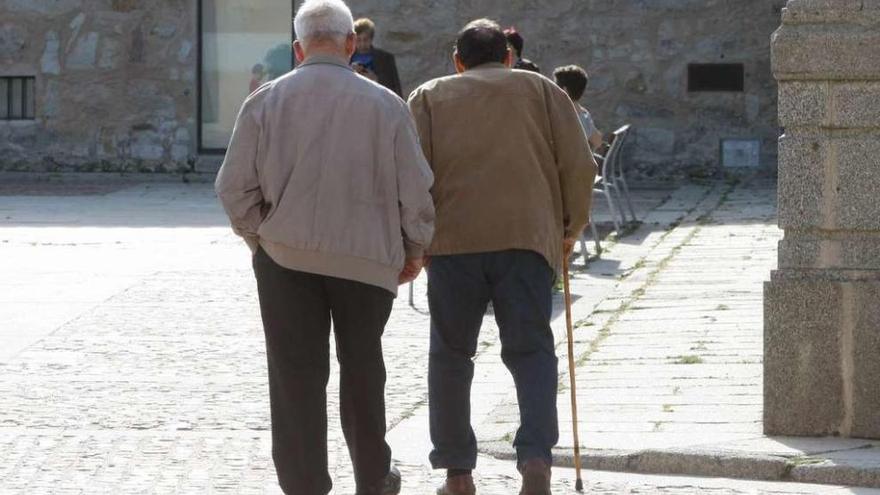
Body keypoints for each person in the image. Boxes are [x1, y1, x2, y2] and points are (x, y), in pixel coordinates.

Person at [215, 0, 435, 493]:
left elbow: (232, 188)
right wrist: (415, 248)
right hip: (366, 261)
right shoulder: (385, 104)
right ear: (350, 43)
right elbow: (415, 189)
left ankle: (305, 483)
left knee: (294, 377)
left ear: (297, 49)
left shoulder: (265, 101)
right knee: (363, 371)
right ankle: (373, 476)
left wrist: (260, 236)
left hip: (285, 259)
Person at [408, 18, 597, 495]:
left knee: (450, 356)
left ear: (457, 60)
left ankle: (458, 473)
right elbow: (578, 164)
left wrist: (417, 240)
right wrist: (569, 230)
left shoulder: (429, 97)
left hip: (453, 244)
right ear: (508, 57)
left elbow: (411, 176)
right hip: (526, 241)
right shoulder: (542, 91)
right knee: (532, 351)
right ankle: (535, 458)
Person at [553, 64, 604, 151]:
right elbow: (598, 142)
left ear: (564, 91)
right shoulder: (584, 115)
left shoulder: (557, 116)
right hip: (581, 163)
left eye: (554, 86)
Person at [351, 18, 403, 97]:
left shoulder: (385, 58)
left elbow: (395, 87)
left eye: (365, 40)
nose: (362, 44)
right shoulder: (345, 58)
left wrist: (376, 79)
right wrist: (349, 70)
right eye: (358, 40)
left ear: (371, 39)